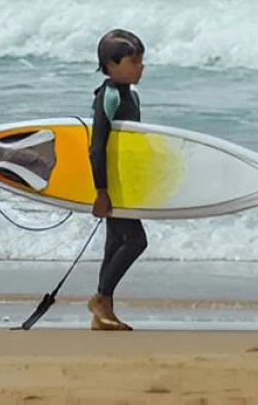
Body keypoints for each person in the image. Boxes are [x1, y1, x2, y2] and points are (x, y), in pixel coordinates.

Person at [87, 28, 148, 331]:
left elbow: (131, 145)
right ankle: (101, 298)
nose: (140, 67)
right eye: (133, 62)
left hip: (125, 182)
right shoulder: (107, 97)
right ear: (111, 66)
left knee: (115, 243)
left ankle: (103, 313)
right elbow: (96, 147)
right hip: (109, 183)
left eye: (141, 61)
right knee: (137, 240)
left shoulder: (132, 96)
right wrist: (101, 191)